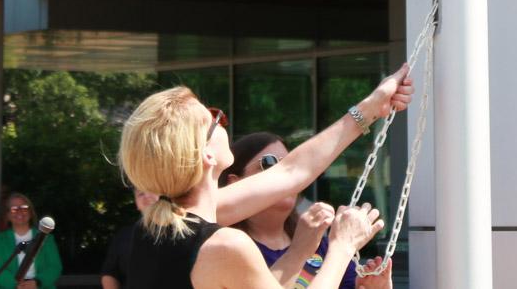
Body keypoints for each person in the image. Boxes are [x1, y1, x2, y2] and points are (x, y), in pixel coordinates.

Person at [115, 65, 411, 289]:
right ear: (206, 155)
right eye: (215, 118)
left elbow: (291, 171)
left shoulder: (156, 226)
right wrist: (343, 246)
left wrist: (371, 107)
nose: (222, 121)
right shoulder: (225, 245)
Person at [220, 134, 391, 289]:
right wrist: (341, 246)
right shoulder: (227, 248)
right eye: (269, 163)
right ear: (235, 183)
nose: (286, 176)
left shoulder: (318, 241)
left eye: (290, 167)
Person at [0, 193, 61, 289]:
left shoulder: (47, 239)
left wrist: (37, 282)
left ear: (30, 212)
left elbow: (54, 267)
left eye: (24, 208)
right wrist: (16, 285)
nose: (19, 212)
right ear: (7, 215)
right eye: (14, 209)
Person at [99, 189, 158, 289]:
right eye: (140, 194)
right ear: (136, 204)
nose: (146, 196)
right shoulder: (124, 235)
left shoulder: (184, 233)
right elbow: (110, 273)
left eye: (151, 190)